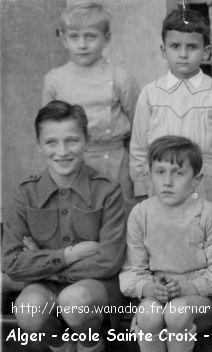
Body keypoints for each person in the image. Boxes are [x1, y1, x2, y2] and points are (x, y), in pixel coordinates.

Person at [2, 100, 126, 352]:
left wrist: (39, 263)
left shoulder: (106, 189)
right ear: (39, 144)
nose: (62, 151)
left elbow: (109, 260)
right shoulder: (25, 192)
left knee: (74, 300)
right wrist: (70, 255)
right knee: (29, 309)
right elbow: (11, 263)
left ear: (86, 140)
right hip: (46, 284)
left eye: (72, 140)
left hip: (94, 288)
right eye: (51, 142)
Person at [120, 136, 212, 352]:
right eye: (160, 172)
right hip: (158, 291)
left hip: (197, 298)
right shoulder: (141, 214)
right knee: (150, 314)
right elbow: (132, 270)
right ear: (150, 174)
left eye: (178, 173)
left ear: (196, 178)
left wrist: (188, 286)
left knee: (177, 312)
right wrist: (149, 288)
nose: (168, 181)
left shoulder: (208, 213)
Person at [130, 7, 212, 219]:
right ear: (163, 50)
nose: (183, 54)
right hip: (163, 189)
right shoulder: (151, 94)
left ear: (206, 52)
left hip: (207, 188)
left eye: (192, 47)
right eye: (175, 46)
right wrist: (142, 191)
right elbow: (139, 148)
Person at [43, 2, 139, 213]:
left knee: (119, 213)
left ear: (106, 38)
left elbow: (139, 125)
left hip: (114, 161)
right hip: (72, 160)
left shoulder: (120, 77)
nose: (83, 44)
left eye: (90, 36)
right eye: (75, 37)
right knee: (78, 213)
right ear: (64, 39)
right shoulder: (55, 80)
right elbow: (48, 128)